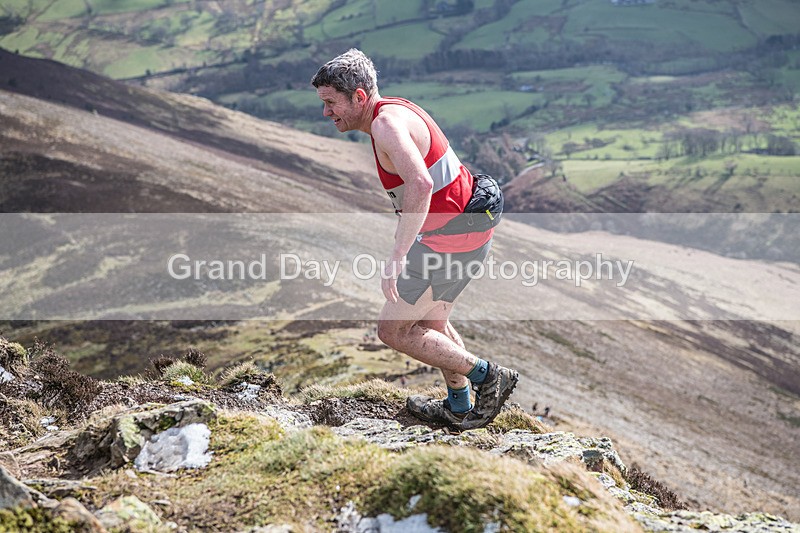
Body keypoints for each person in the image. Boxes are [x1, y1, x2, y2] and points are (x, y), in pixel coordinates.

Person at [311, 49, 518, 429]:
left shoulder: (385, 125)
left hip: (449, 240)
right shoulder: (396, 109)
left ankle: (489, 376)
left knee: (393, 330)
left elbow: (421, 185)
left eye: (331, 103)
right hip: (466, 231)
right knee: (433, 324)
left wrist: (397, 256)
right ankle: (459, 407)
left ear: (359, 96)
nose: (326, 112)